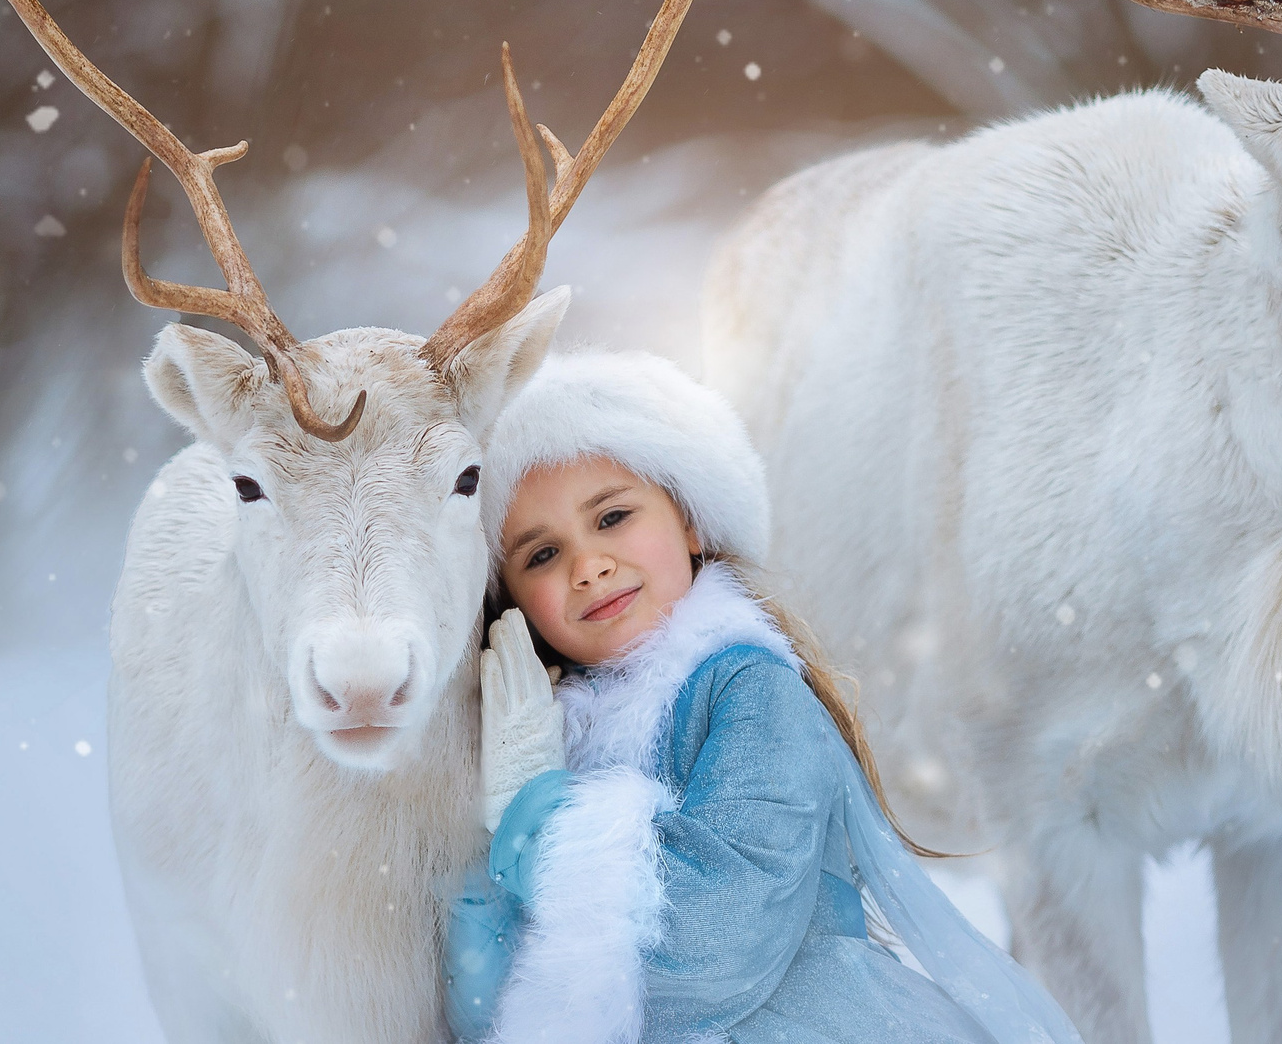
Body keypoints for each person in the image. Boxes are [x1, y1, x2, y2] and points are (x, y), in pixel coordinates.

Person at [442, 349, 1083, 1044]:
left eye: (612, 517)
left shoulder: (750, 692)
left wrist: (540, 813)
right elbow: (490, 1010)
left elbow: (710, 955)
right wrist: (503, 826)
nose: (589, 567)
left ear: (690, 521)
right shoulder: (540, 732)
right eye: (541, 555)